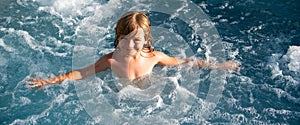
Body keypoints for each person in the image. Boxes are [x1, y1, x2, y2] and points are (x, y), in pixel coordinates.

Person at [26, 11, 239, 90]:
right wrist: (49, 81)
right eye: (124, 39)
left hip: (151, 90)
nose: (130, 45)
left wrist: (219, 65)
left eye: (136, 40)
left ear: (146, 39)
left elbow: (184, 62)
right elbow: (81, 73)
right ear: (117, 39)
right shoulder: (110, 61)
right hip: (121, 97)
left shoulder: (154, 57)